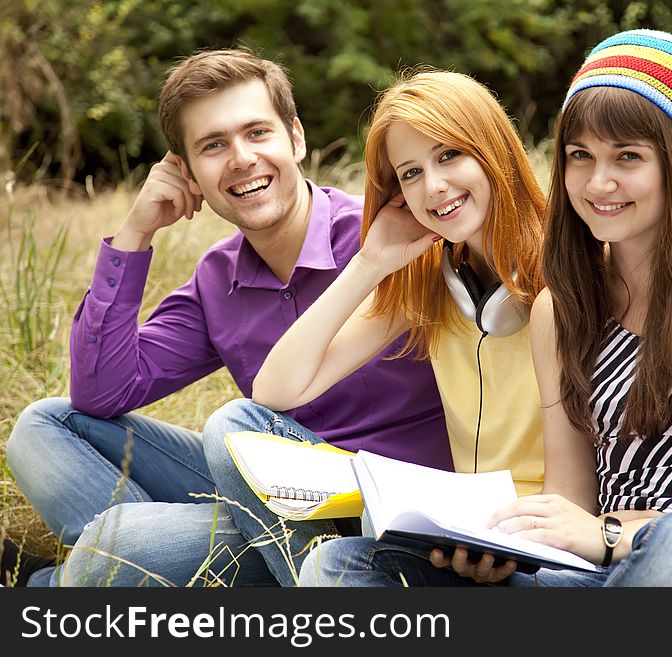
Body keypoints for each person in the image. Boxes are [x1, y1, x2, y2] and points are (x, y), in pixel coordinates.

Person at [297, 29, 672, 587]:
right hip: (598, 571)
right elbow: (568, 497)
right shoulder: (562, 305)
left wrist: (616, 536)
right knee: (344, 566)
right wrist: (503, 550)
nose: (599, 182)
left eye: (628, 157)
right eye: (581, 156)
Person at [4, 48, 453, 587]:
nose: (241, 159)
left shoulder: (390, 235)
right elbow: (100, 394)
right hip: (259, 491)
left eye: (257, 132)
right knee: (45, 426)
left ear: (296, 138)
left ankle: (58, 582)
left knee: (116, 549)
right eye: (213, 146)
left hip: (372, 513)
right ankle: (121, 564)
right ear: (187, 172)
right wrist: (134, 234)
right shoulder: (219, 277)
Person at [204, 67, 547, 583]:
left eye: (449, 154)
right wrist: (370, 262)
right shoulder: (433, 279)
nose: (433, 185)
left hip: (538, 534)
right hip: (458, 528)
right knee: (233, 428)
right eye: (410, 173)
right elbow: (276, 390)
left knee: (328, 569)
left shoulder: (569, 271)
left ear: (492, 148)